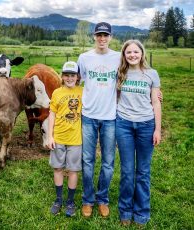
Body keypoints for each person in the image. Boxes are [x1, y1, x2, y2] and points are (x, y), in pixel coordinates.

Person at [116, 40, 161, 226]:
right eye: (129, 52)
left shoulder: (152, 74)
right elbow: (114, 96)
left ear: (142, 53)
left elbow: (156, 102)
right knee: (127, 171)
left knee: (143, 171)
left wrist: (157, 129)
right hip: (124, 125)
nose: (132, 55)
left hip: (146, 125)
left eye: (136, 51)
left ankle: (142, 212)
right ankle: (125, 210)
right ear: (124, 55)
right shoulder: (120, 73)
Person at [77, 22, 120, 218]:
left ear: (110, 37)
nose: (102, 38)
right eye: (99, 35)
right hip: (89, 116)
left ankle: (102, 199)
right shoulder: (84, 58)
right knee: (87, 160)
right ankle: (88, 199)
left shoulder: (118, 58)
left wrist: (154, 90)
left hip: (110, 117)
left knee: (108, 162)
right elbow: (76, 81)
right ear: (94, 36)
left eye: (106, 35)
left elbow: (131, 76)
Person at [47, 61, 83, 217]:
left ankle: (70, 201)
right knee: (58, 168)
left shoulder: (83, 91)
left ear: (77, 77)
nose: (69, 78)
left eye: (72, 75)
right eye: (67, 75)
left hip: (75, 138)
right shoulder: (56, 93)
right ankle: (58, 199)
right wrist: (49, 135)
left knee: (73, 170)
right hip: (59, 137)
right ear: (62, 76)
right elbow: (52, 114)